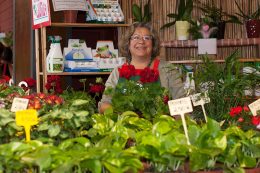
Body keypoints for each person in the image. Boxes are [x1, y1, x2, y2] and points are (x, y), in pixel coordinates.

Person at [98, 22, 186, 113]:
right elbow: (104, 104)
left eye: (147, 38)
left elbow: (182, 102)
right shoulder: (117, 72)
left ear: (153, 44)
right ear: (128, 43)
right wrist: (124, 115)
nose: (141, 41)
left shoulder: (168, 69)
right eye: (136, 37)